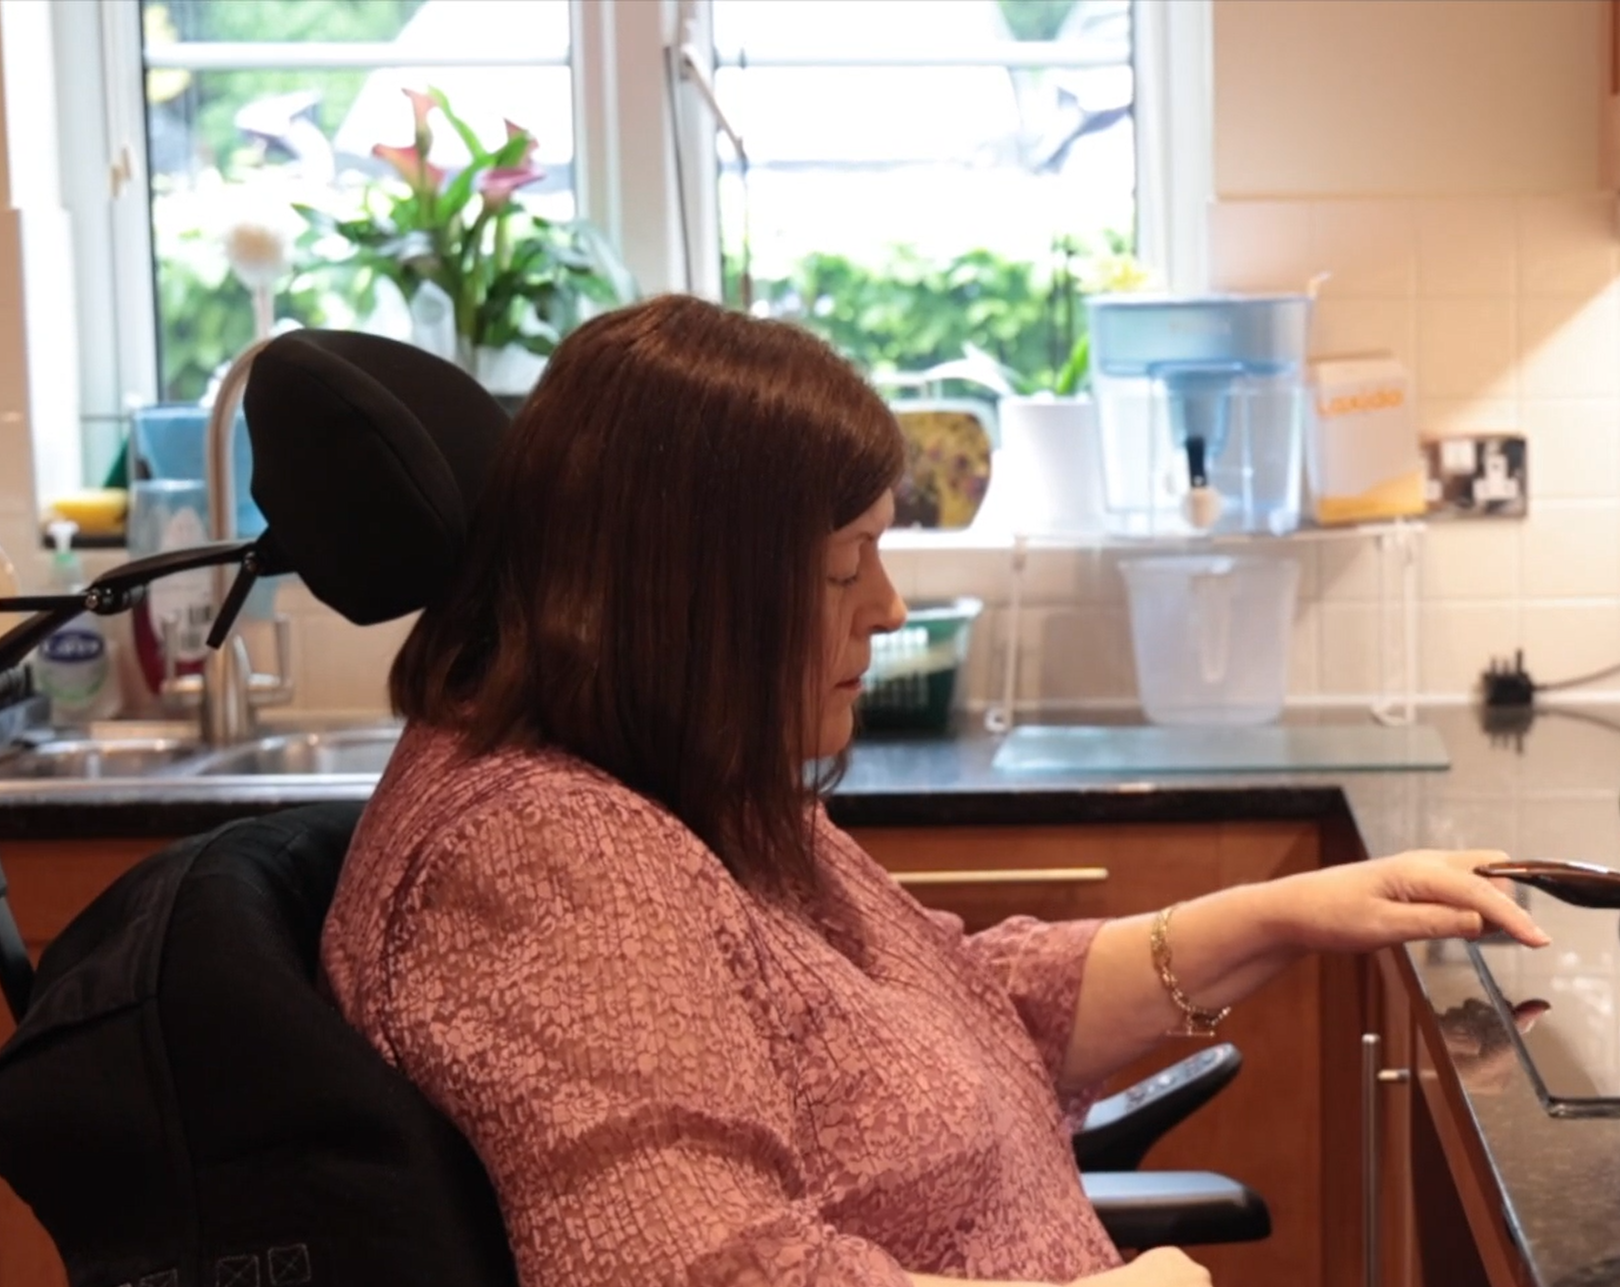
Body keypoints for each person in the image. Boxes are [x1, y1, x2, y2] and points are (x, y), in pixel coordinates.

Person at [322, 294, 1550, 1287]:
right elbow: (702, 1271)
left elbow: (961, 1004)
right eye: (847, 565)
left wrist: (1292, 913)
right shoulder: (549, 860)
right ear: (688, 595)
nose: (890, 608)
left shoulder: (673, 789)